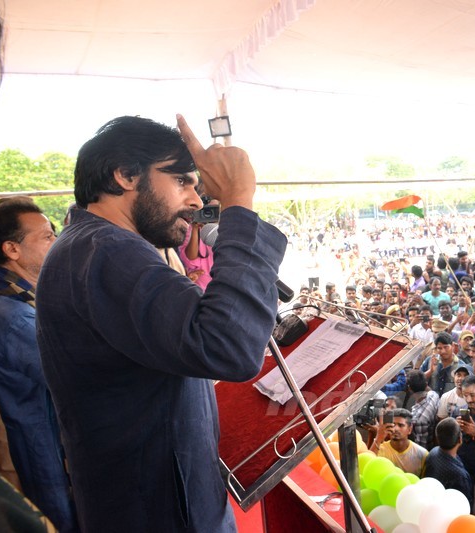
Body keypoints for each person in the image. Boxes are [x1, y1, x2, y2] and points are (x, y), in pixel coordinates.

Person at [36, 115, 287, 532]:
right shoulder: (107, 250)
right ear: (126, 175)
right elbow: (229, 345)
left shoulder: (89, 246)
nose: (195, 201)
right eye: (183, 182)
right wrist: (239, 200)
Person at [0, 202, 79, 532]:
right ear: (12, 249)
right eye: (46, 236)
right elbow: (75, 375)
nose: (56, 241)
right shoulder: (12, 315)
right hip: (38, 454)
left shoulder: (26, 297)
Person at [423, 418, 473, 503]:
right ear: (460, 440)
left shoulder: (433, 452)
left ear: (437, 438)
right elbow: (466, 503)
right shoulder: (460, 476)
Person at [370, 408, 428, 476]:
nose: (395, 429)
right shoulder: (379, 449)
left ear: (410, 429)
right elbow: (368, 466)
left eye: (401, 425)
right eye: (393, 425)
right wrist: (378, 437)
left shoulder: (422, 454)